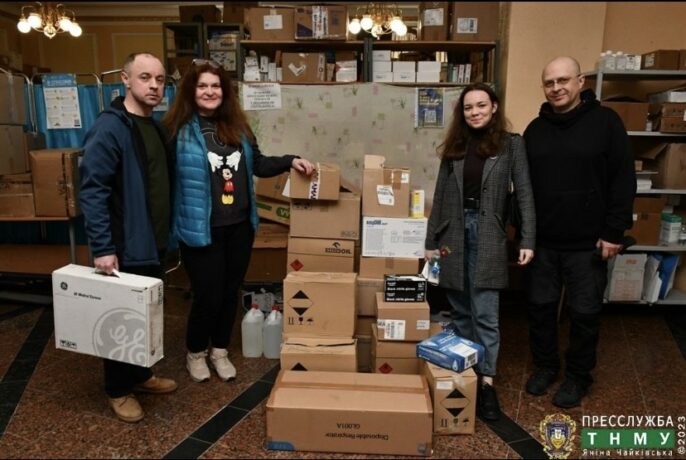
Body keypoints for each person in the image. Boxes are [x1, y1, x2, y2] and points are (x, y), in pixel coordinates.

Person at [162, 59, 315, 383]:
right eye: (202, 86)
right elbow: (163, 179)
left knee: (230, 292)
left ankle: (219, 351)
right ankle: (196, 353)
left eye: (215, 86)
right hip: (200, 230)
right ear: (191, 91)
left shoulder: (238, 128)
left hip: (240, 228)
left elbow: (258, 164)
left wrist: (290, 161)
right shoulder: (176, 131)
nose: (209, 91)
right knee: (207, 296)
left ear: (224, 91)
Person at [523, 56, 636, 408]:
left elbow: (623, 179)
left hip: (588, 243)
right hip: (543, 242)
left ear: (580, 81)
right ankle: (545, 366)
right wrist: (524, 234)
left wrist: (614, 231)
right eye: (549, 82)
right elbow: (524, 187)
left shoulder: (606, 123)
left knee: (585, 315)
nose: (556, 88)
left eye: (563, 80)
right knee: (540, 309)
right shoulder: (535, 130)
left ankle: (578, 376)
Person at [425, 82, 536, 421]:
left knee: (485, 312)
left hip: (488, 233)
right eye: (469, 107)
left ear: (494, 107)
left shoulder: (511, 144)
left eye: (481, 105)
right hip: (453, 233)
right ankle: (466, 373)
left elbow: (524, 193)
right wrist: (430, 241)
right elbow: (441, 194)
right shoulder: (455, 146)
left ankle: (487, 383)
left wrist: (527, 239)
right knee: (460, 309)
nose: (475, 112)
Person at [80, 52, 177, 423]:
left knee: (144, 317)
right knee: (121, 319)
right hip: (125, 246)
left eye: (160, 79)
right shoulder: (110, 127)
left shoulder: (156, 127)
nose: (154, 86)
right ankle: (118, 390)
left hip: (153, 243)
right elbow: (93, 190)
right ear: (125, 79)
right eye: (145, 77)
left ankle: (139, 375)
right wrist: (103, 248)